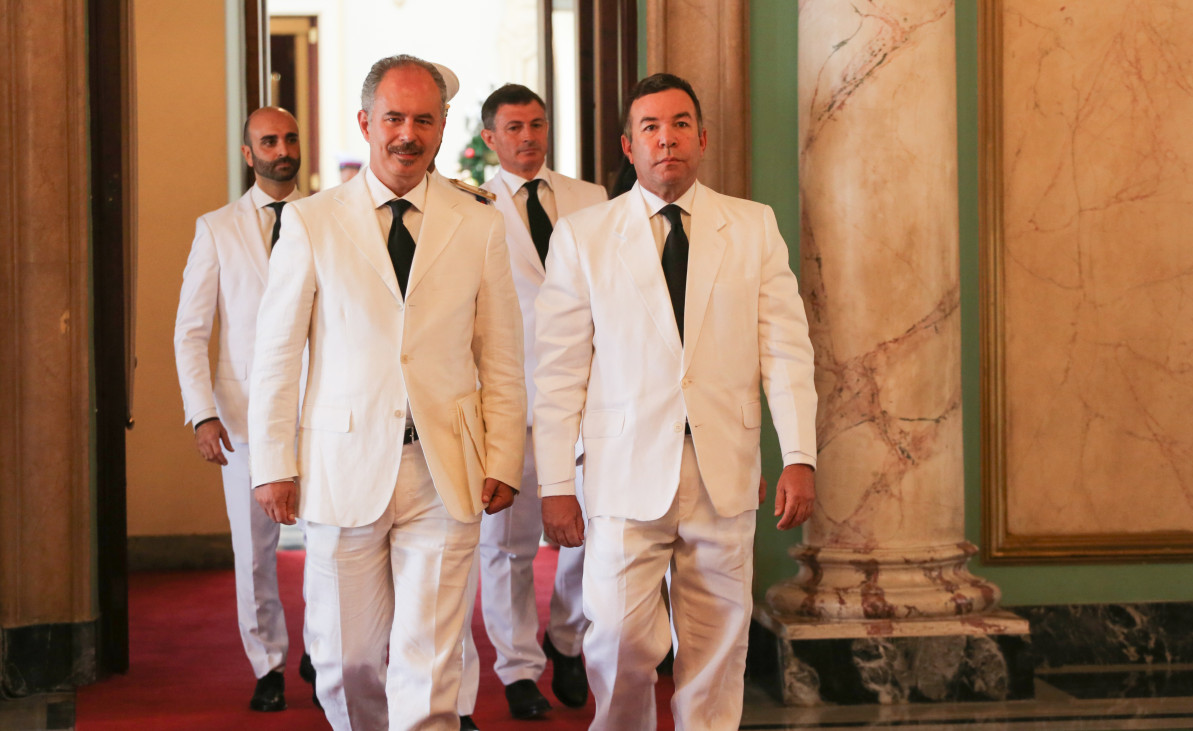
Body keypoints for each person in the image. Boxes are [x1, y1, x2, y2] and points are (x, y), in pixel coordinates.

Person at [247, 55, 527, 731]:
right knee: (346, 660)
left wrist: (503, 456)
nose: (408, 134)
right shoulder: (312, 221)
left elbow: (501, 354)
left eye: (423, 120)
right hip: (342, 467)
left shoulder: (480, 222)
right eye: (394, 118)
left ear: (442, 126)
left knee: (430, 660)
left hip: (444, 469)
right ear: (366, 123)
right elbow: (276, 354)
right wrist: (272, 463)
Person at [533, 73, 818, 730]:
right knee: (618, 639)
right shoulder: (583, 235)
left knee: (718, 643)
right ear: (629, 146)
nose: (667, 139)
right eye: (651, 127)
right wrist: (555, 483)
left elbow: (785, 349)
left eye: (681, 124)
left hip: (724, 469)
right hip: (622, 470)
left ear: (702, 138)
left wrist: (799, 454)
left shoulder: (752, 226)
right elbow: (557, 372)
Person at [458, 83, 607, 723]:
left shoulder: (591, 199)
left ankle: (567, 638)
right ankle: (518, 667)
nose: (528, 137)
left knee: (590, 531)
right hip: (508, 398)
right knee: (508, 544)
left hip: (586, 396)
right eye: (514, 127)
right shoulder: (469, 206)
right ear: (489, 137)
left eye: (537, 124)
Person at [173, 105, 311, 713]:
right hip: (243, 414)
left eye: (290, 138)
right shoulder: (217, 229)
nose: (282, 149)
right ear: (249, 153)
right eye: (269, 141)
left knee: (334, 543)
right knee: (254, 550)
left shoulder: (326, 218)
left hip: (321, 411)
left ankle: (325, 648)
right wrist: (203, 413)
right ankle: (268, 664)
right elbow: (190, 331)